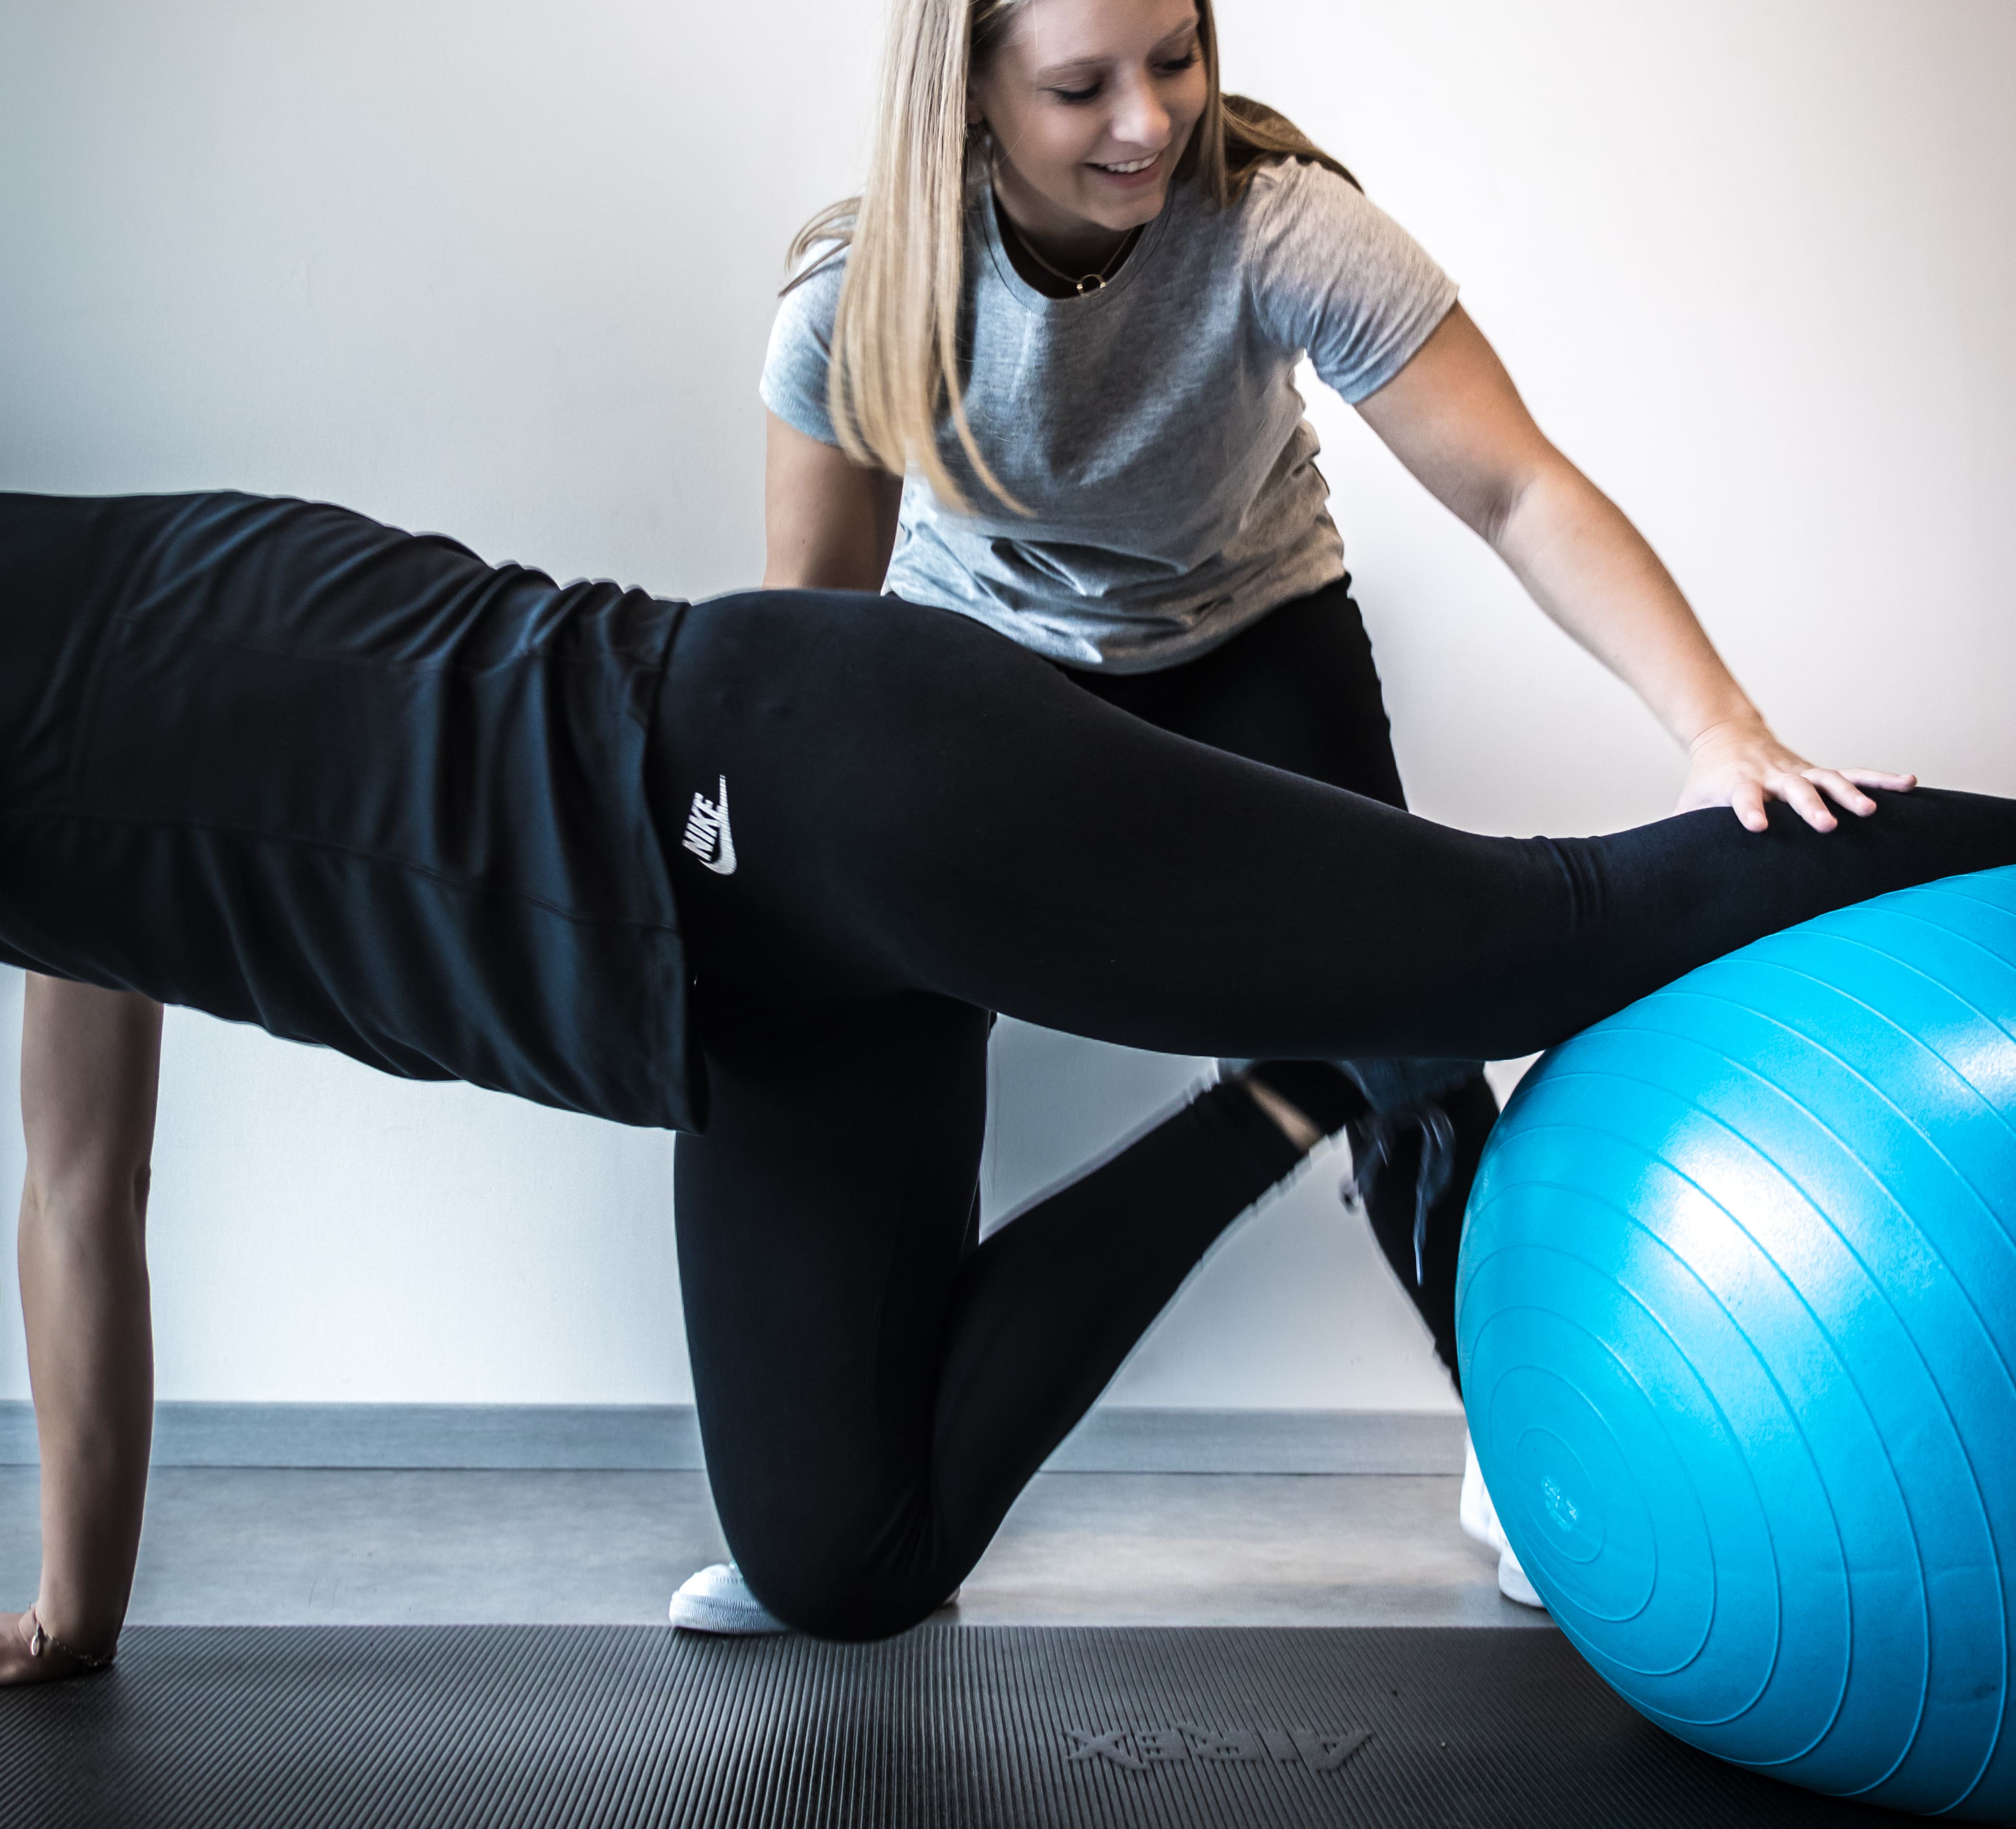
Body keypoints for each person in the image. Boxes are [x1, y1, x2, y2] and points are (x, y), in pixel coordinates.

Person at [5, 483, 2009, 1684]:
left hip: (804, 777)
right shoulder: (59, 823)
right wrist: (75, 1617)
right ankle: (1298, 1084)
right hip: (738, 1014)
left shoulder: (61, 616)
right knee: (842, 1563)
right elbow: (75, 1188)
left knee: (1548, 928)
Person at [713, 0, 1906, 1621]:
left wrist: (1717, 722)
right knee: (872, 1020)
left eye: (1175, 59)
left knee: (1409, 1035)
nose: (1147, 121)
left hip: (1248, 630)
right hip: (983, 677)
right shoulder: (857, 301)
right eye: (1081, 86)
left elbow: (1518, 491)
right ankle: (843, 1479)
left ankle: (1529, 1448)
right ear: (963, 97)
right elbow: (805, 652)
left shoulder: (1279, 228)